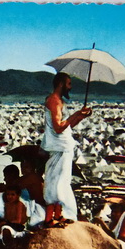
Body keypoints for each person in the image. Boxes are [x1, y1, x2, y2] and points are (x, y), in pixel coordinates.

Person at [42, 72, 92, 228]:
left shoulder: (59, 101)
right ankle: (51, 217)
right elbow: (58, 127)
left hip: (62, 146)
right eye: (69, 84)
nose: (70, 87)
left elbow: (67, 127)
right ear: (61, 84)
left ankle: (58, 215)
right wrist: (76, 114)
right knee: (56, 182)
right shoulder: (54, 101)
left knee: (60, 181)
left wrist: (81, 116)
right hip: (59, 147)